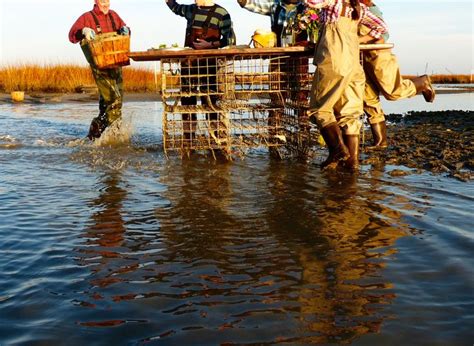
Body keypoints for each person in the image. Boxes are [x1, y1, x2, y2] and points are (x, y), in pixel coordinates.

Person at [305, 0, 388, 172]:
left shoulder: (332, 2)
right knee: (349, 113)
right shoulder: (359, 8)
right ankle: (352, 163)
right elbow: (382, 28)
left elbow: (311, 2)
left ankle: (337, 151)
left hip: (334, 61)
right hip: (353, 63)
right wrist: (357, 39)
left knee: (320, 108)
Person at [359, 0, 435, 148]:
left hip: (376, 54)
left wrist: (370, 41)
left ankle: (422, 83)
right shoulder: (339, 8)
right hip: (357, 56)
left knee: (392, 91)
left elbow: (384, 32)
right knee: (367, 97)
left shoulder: (368, 7)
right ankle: (380, 141)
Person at [165, 0, 234, 147]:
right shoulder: (191, 9)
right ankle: (189, 141)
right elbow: (175, 7)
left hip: (209, 67)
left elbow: (231, 39)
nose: (195, 0)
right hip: (188, 66)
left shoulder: (222, 14)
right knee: (187, 104)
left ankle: (215, 142)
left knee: (211, 104)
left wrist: (211, 45)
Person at [69, 0, 130, 140]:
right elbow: (71, 35)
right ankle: (116, 137)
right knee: (114, 100)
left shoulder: (114, 15)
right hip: (100, 67)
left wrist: (126, 30)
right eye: (103, 1)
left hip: (116, 64)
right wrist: (83, 31)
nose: (106, 4)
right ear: (96, 1)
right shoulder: (87, 17)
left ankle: (94, 135)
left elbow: (126, 29)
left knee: (107, 105)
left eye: (108, 1)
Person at [237, 0, 308, 46]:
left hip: (299, 55)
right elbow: (255, 4)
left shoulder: (306, 7)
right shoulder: (275, 5)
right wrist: (243, 1)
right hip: (278, 55)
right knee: (276, 69)